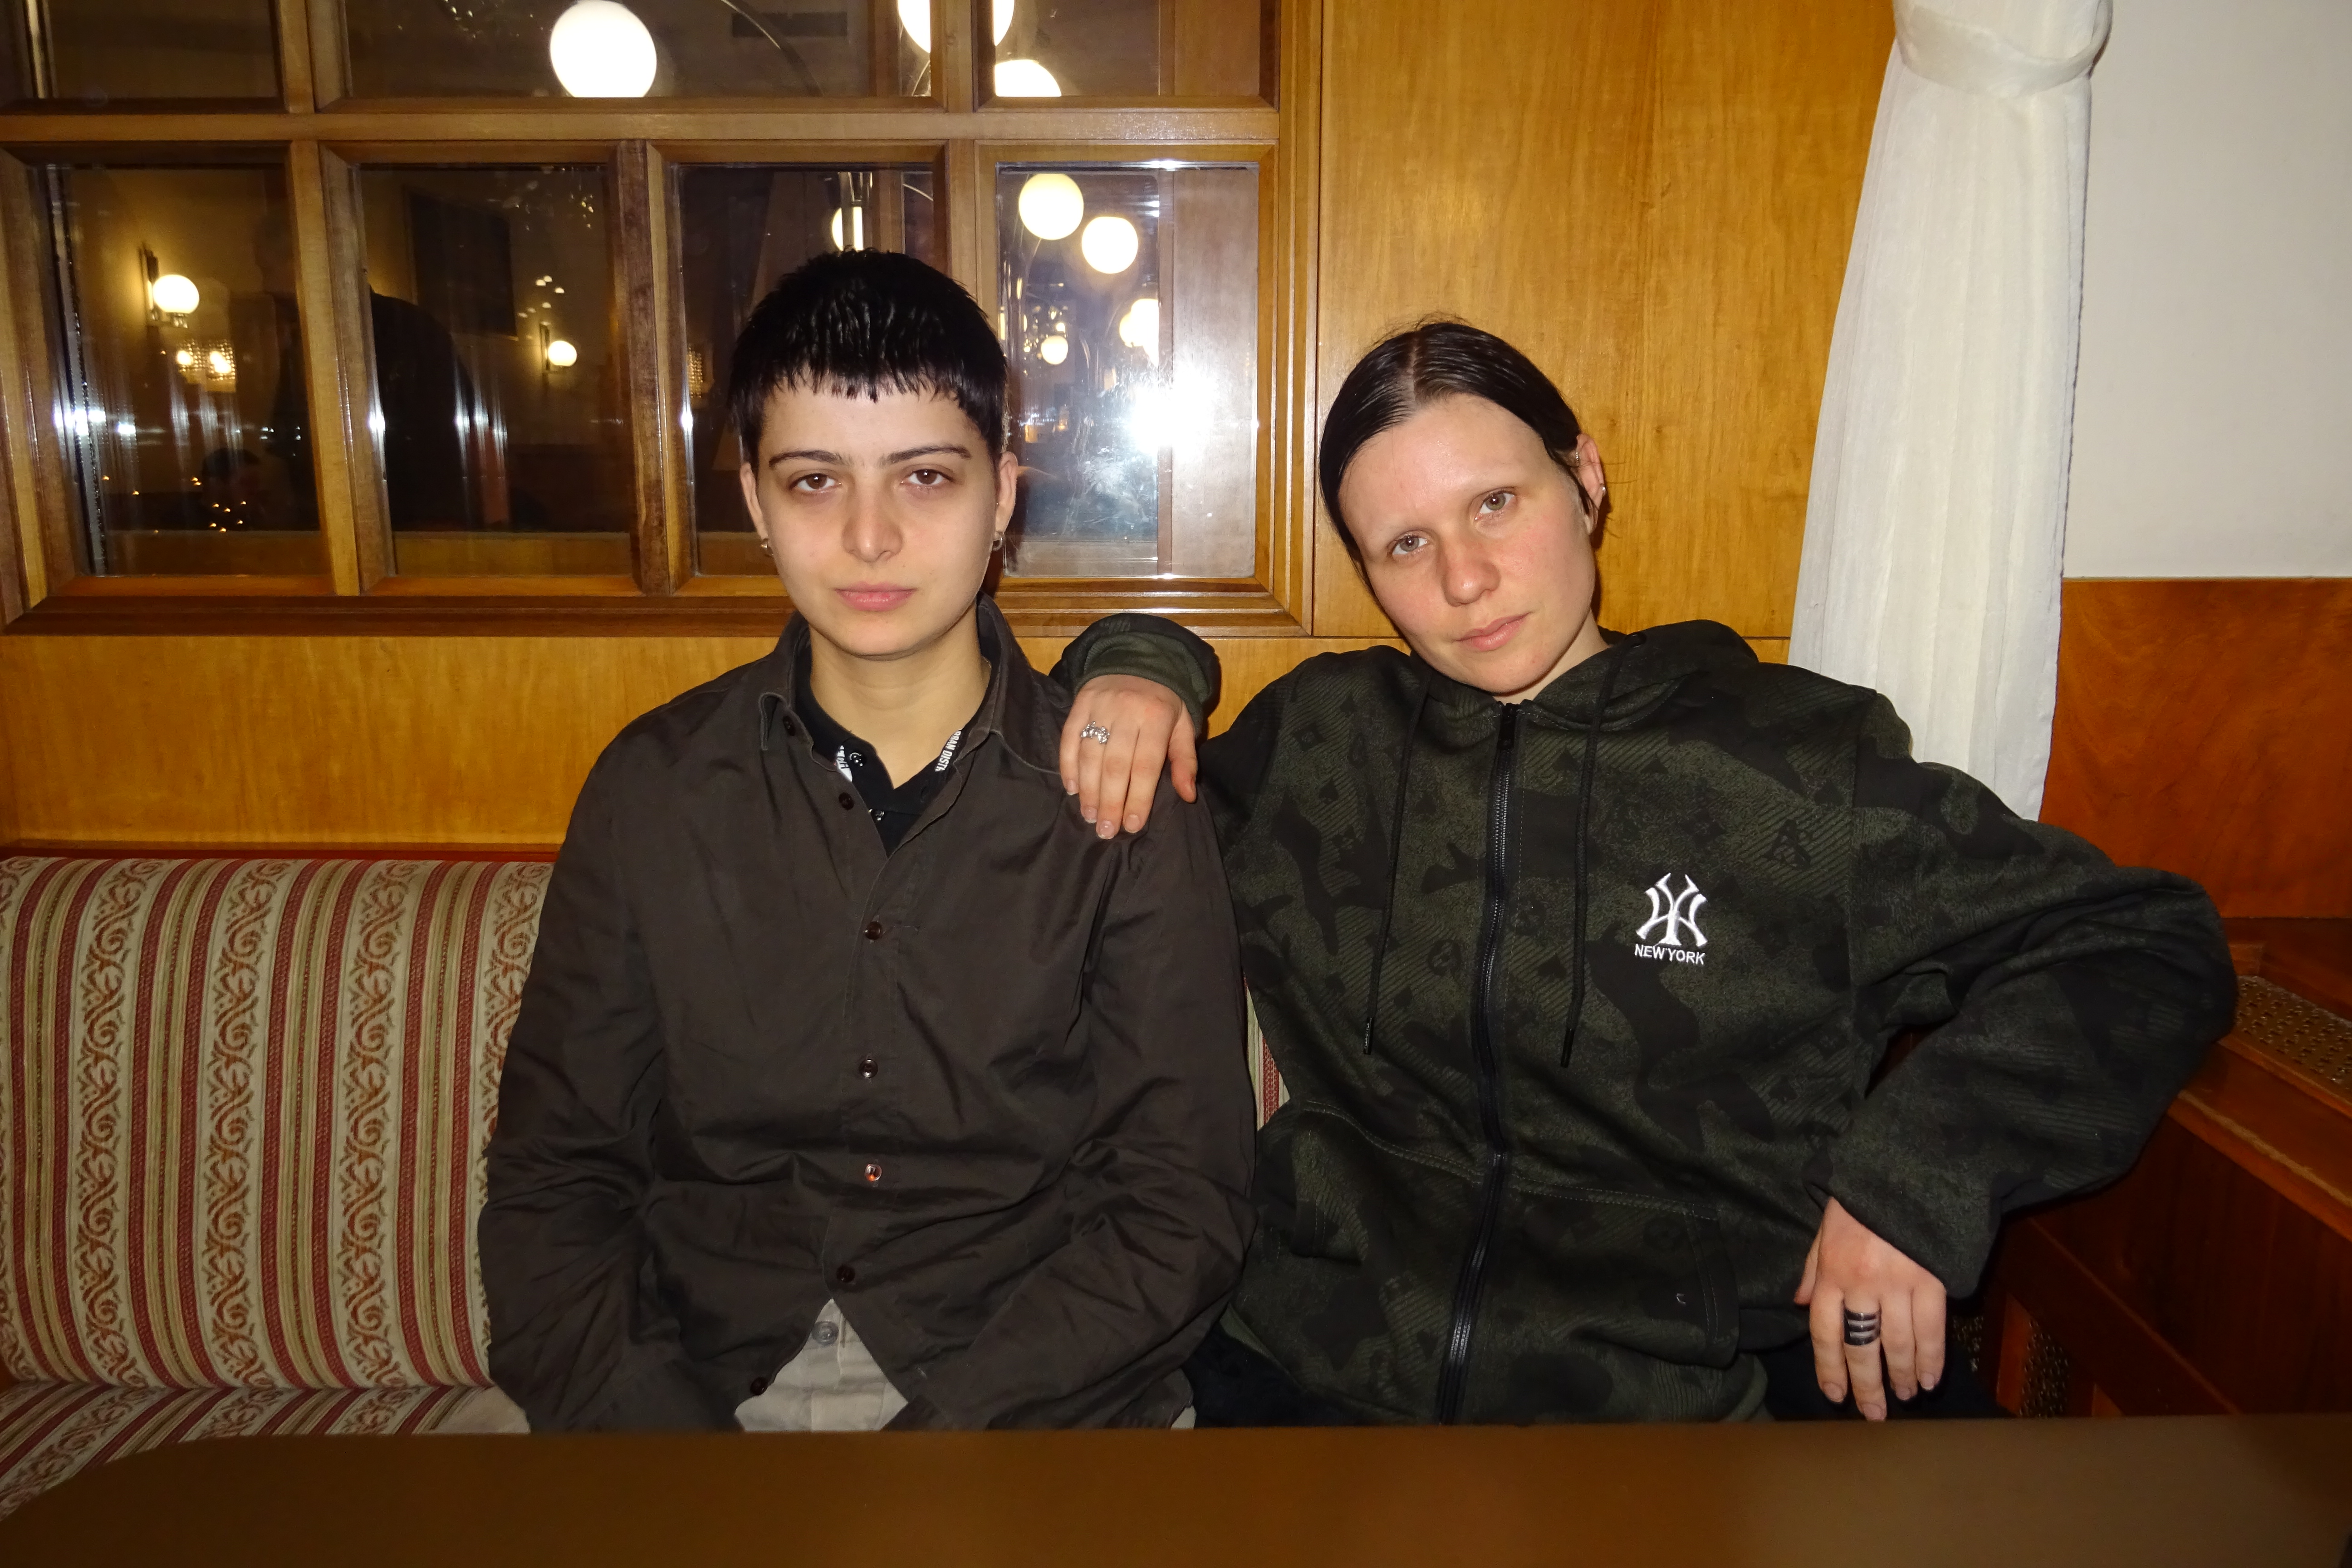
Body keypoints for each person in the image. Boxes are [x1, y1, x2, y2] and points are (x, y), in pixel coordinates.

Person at [1049, 321, 2234, 1424]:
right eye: (1407, 545)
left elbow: (2141, 944)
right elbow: (1043, 825)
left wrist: (1915, 1179)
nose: (1465, 581)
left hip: (1681, 1412)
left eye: (1496, 504)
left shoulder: (1794, 766)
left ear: (1586, 479)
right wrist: (1138, 662)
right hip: (1308, 1388)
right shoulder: (1321, 744)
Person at [479, 251, 1254, 1432]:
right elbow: (558, 1172)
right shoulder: (657, 789)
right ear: (755, 503)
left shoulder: (1123, 794)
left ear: (1003, 496)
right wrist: (661, 1448)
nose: (870, 536)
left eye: (925, 477)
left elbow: (1179, 1208)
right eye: (814, 481)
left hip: (1032, 1399)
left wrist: (933, 1463)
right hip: (696, 1385)